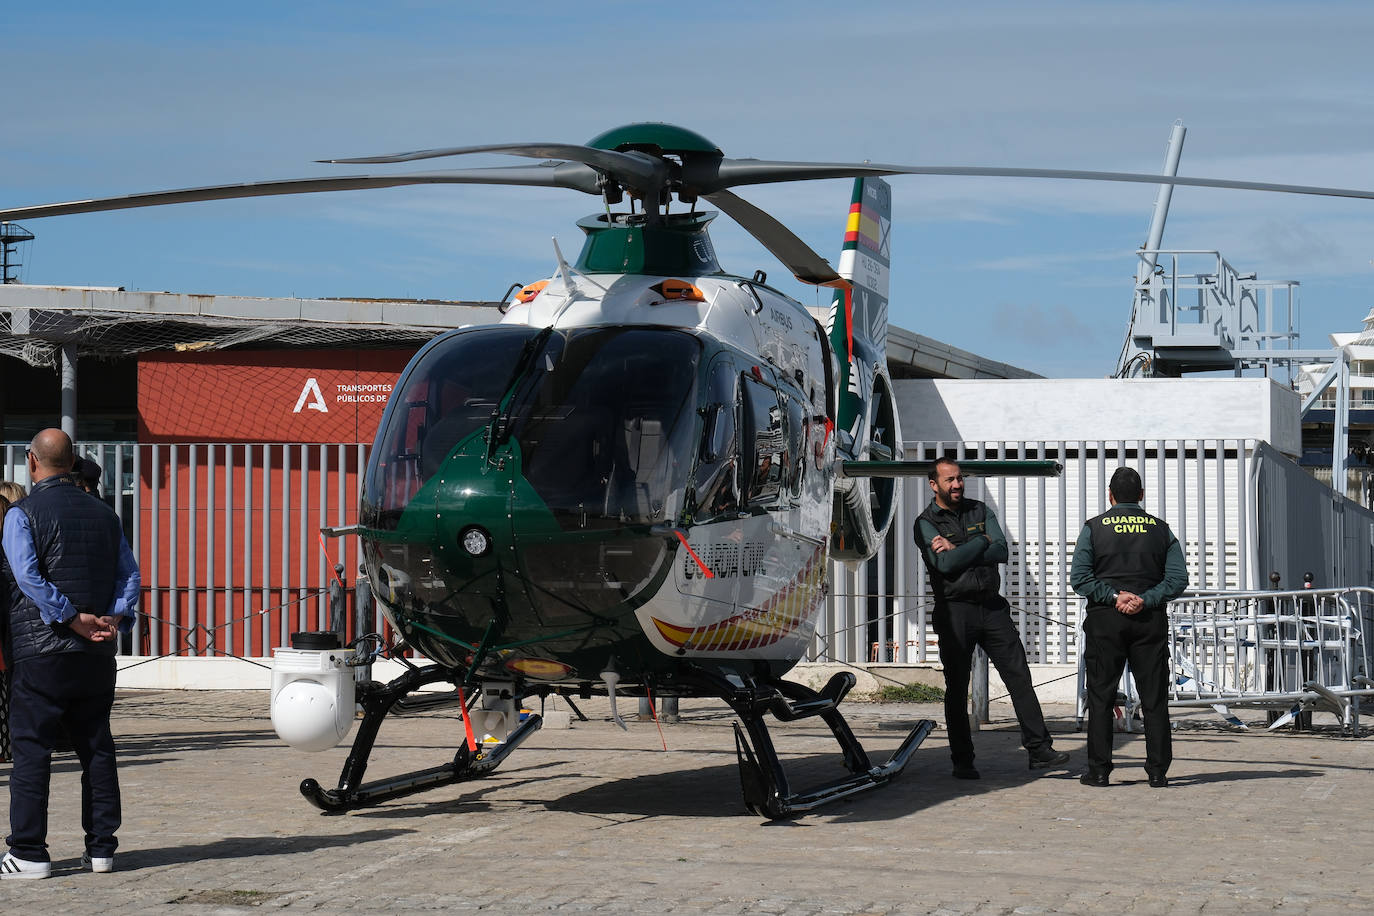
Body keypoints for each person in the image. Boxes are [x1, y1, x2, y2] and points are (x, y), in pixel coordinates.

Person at [0, 430, 139, 878]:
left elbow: (27, 576)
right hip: (96, 651)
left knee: (32, 750)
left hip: (41, 649)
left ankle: (28, 851)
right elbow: (130, 578)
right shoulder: (106, 514)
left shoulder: (21, 513)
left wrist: (69, 616)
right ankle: (101, 850)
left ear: (31, 462)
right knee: (96, 746)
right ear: (73, 461)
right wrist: (111, 617)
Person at [915, 457, 1070, 779]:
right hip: (954, 610)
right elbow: (943, 567)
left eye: (959, 479)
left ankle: (1039, 750)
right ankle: (962, 760)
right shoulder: (925, 522)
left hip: (991, 606)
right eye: (949, 481)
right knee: (956, 688)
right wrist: (981, 540)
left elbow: (1001, 550)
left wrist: (963, 546)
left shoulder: (980, 510)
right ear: (934, 485)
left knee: (1019, 677)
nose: (957, 485)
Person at [1069, 466, 1187, 789]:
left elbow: (1079, 578)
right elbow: (1178, 579)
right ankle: (1158, 772)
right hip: (1149, 623)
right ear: (1141, 496)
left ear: (1110, 496)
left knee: (1101, 696)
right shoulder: (1161, 530)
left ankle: (1099, 771)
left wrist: (1112, 595)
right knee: (1154, 699)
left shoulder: (1094, 528)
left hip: (1106, 621)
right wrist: (1145, 600)